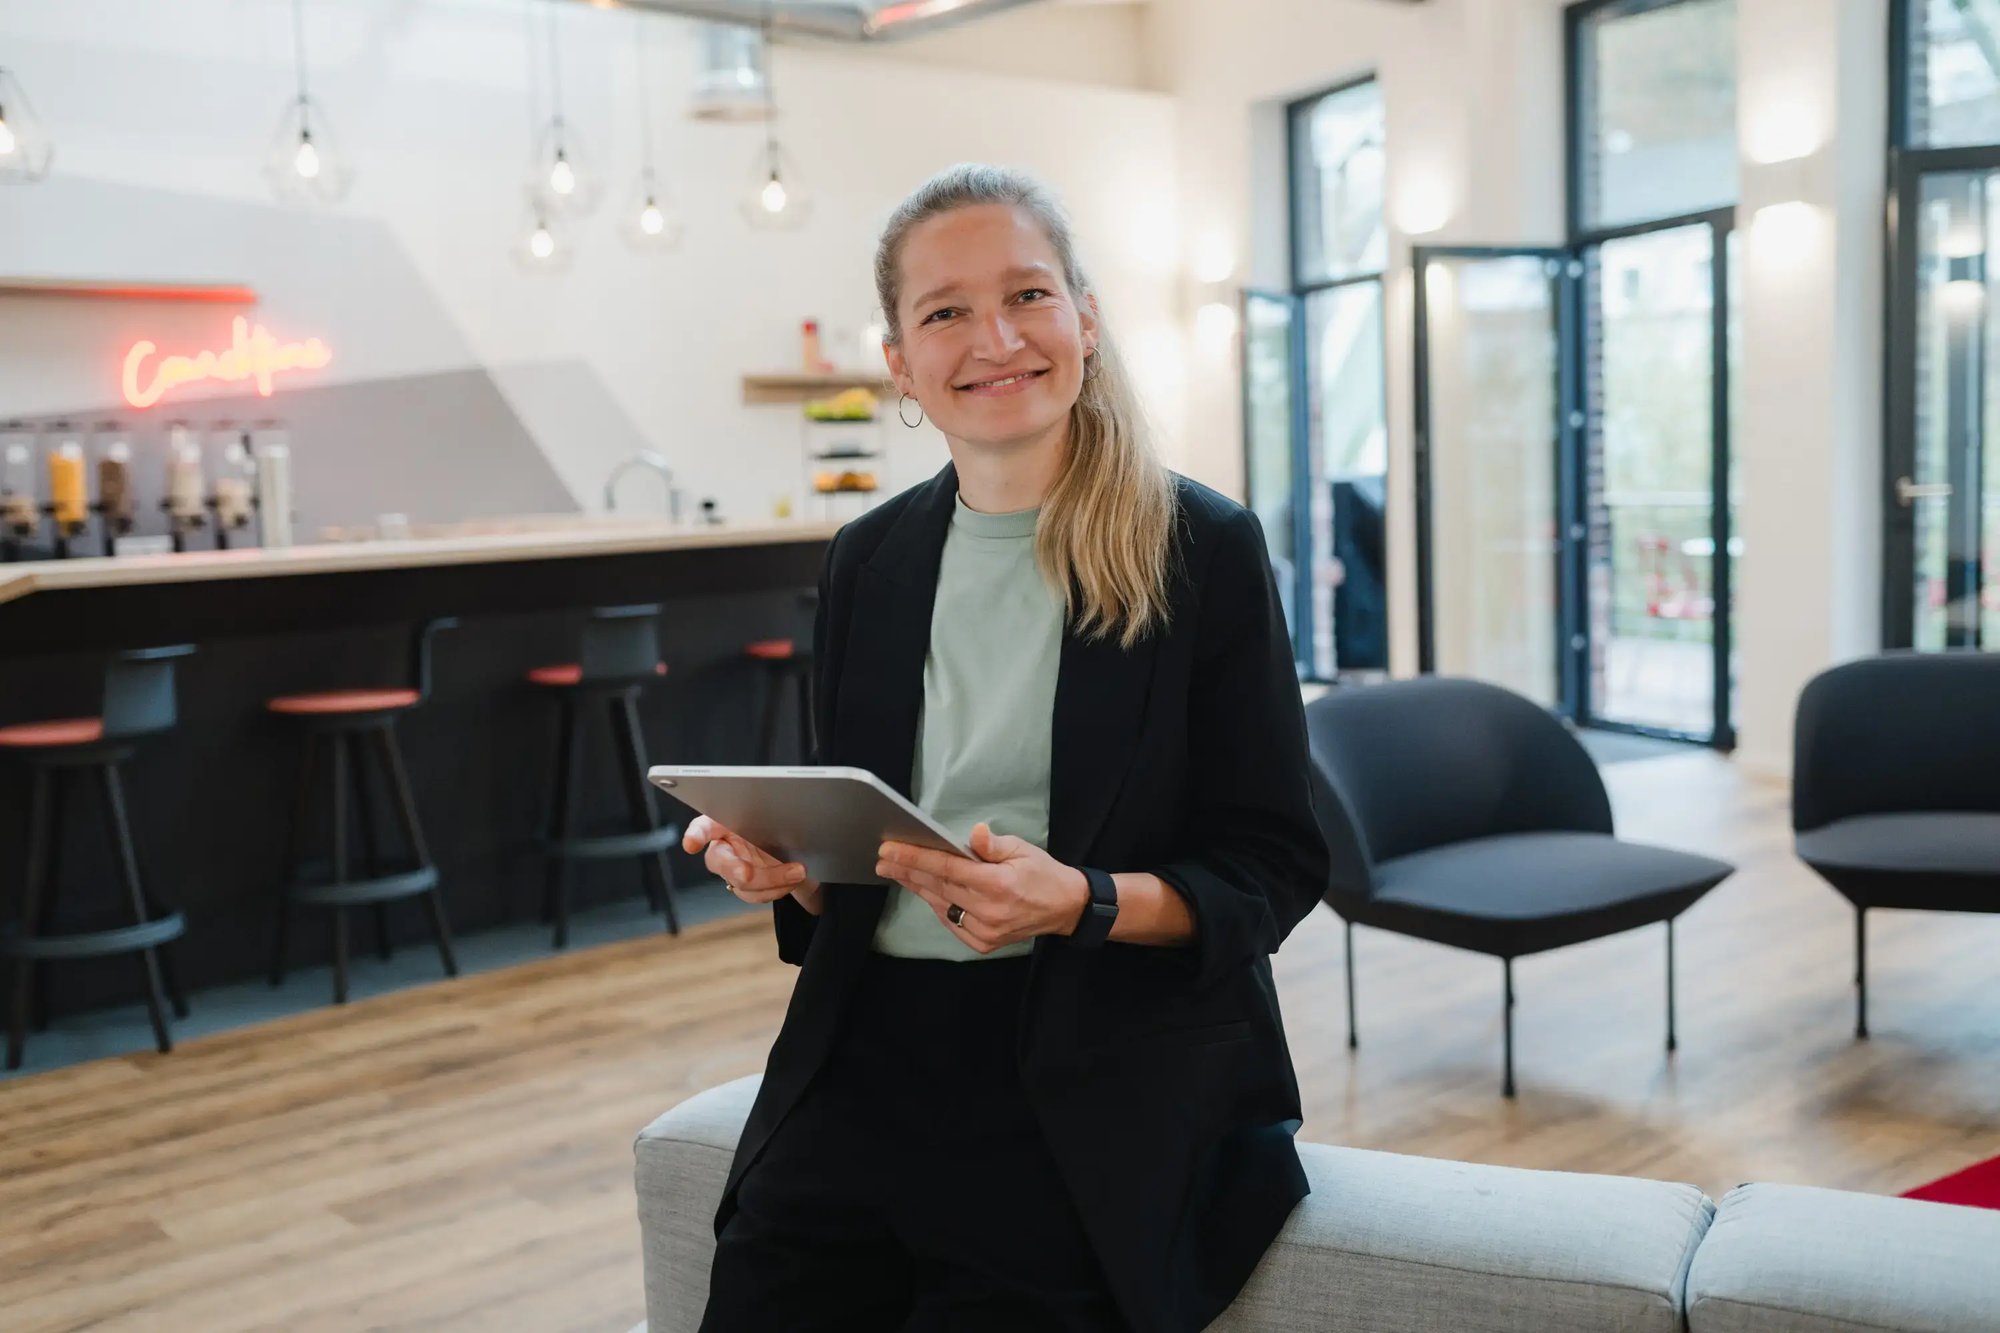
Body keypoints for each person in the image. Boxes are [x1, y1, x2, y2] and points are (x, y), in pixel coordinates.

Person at [686, 162, 1330, 1333]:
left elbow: (1273, 866)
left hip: (1096, 1063)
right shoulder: (868, 559)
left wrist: (1080, 900)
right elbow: (864, 857)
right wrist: (793, 868)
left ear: (1084, 317)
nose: (994, 339)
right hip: (864, 1047)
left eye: (1027, 295)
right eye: (945, 312)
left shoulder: (1203, 547)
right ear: (900, 364)